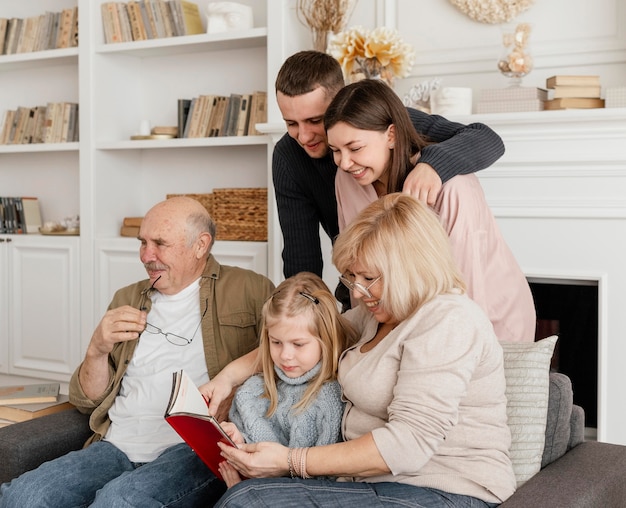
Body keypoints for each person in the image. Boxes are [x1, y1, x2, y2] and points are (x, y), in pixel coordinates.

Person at [213, 193, 517, 507]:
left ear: (412, 268)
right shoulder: (375, 314)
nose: (357, 291)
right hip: (374, 486)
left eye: (369, 278)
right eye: (352, 276)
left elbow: (408, 445)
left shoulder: (448, 320)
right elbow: (309, 336)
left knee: (248, 501)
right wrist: (226, 379)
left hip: (445, 489)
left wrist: (291, 461)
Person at [0, 196, 274, 508]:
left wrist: (231, 383)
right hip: (115, 445)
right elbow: (86, 400)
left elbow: (286, 355)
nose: (146, 255)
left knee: (116, 503)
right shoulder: (127, 297)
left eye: (160, 243)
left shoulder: (249, 289)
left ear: (200, 245)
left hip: (190, 450)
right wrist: (97, 350)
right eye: (142, 242)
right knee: (22, 497)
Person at [325, 78, 536, 343]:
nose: (344, 162)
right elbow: (356, 271)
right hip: (403, 322)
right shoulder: (347, 179)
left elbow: (462, 292)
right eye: (335, 150)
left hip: (487, 319)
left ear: (391, 135)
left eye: (355, 148)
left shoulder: (452, 187)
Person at [273, 50, 506, 285]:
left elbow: (486, 138)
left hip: (420, 279)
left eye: (315, 121)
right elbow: (300, 255)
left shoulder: (381, 119)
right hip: (362, 279)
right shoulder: (288, 156)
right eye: (291, 123)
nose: (303, 137)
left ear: (340, 104)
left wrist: (432, 166)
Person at [218, 272, 357, 487]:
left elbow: (321, 479)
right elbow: (252, 438)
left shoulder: (328, 399)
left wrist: (241, 490)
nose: (285, 355)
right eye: (276, 342)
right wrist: (238, 439)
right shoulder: (253, 389)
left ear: (326, 339)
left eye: (298, 344)